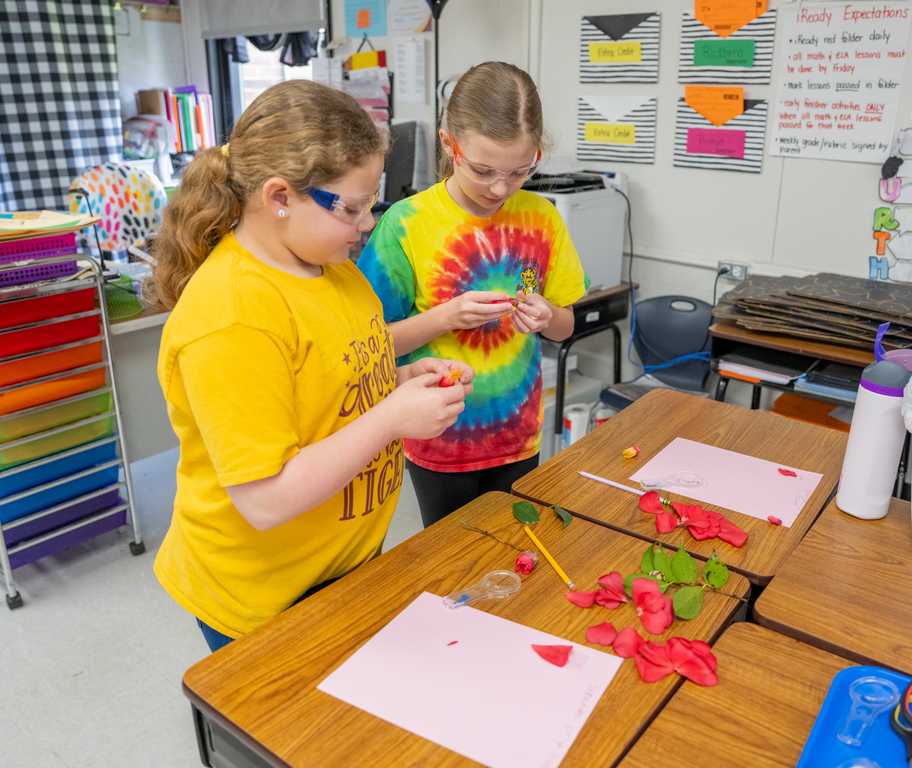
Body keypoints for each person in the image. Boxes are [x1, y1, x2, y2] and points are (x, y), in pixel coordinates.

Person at [150, 80, 473, 652]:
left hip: (340, 567)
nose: (369, 222)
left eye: (372, 203)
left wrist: (396, 381)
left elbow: (326, 382)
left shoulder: (332, 265)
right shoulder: (232, 316)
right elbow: (266, 499)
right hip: (263, 599)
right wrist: (393, 418)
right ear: (280, 198)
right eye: (351, 207)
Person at [358, 62, 589, 528]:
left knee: (518, 556)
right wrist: (444, 317)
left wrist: (548, 317)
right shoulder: (404, 225)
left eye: (519, 172)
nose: (500, 189)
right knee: (453, 565)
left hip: (519, 434)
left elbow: (566, 327)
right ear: (449, 145)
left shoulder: (542, 217)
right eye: (483, 170)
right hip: (441, 437)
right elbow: (370, 347)